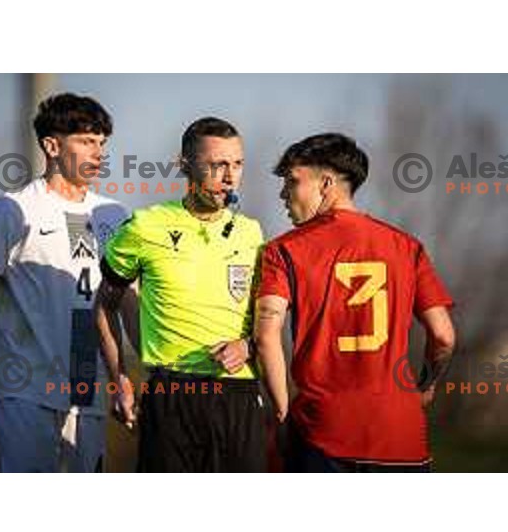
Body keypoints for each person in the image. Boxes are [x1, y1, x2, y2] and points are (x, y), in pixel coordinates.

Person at [0, 93, 136, 472]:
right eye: (86, 140)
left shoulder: (114, 216)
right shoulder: (11, 210)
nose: (98, 152)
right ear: (51, 145)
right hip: (23, 393)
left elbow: (115, 309)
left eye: (102, 142)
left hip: (89, 395)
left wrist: (120, 380)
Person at [255, 133, 455, 472]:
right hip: (403, 437)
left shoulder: (283, 250)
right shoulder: (408, 247)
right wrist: (427, 384)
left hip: (322, 435)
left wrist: (281, 412)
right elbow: (444, 336)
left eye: (292, 181)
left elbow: (265, 337)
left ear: (327, 183)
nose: (282, 194)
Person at [95, 116, 267, 472]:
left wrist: (247, 346)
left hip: (239, 395)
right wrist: (120, 379)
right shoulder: (144, 226)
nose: (230, 176)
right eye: (217, 165)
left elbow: (270, 320)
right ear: (184, 165)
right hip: (171, 397)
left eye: (237, 164)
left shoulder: (252, 233)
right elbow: (105, 306)